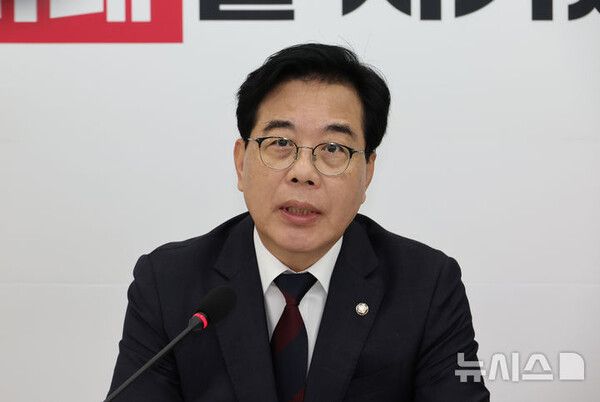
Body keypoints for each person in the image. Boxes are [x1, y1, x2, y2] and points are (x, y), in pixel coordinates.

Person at [108, 43, 490, 402]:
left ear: (368, 173)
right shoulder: (168, 283)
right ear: (241, 162)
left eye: (333, 148)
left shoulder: (427, 286)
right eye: (280, 143)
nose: (303, 172)